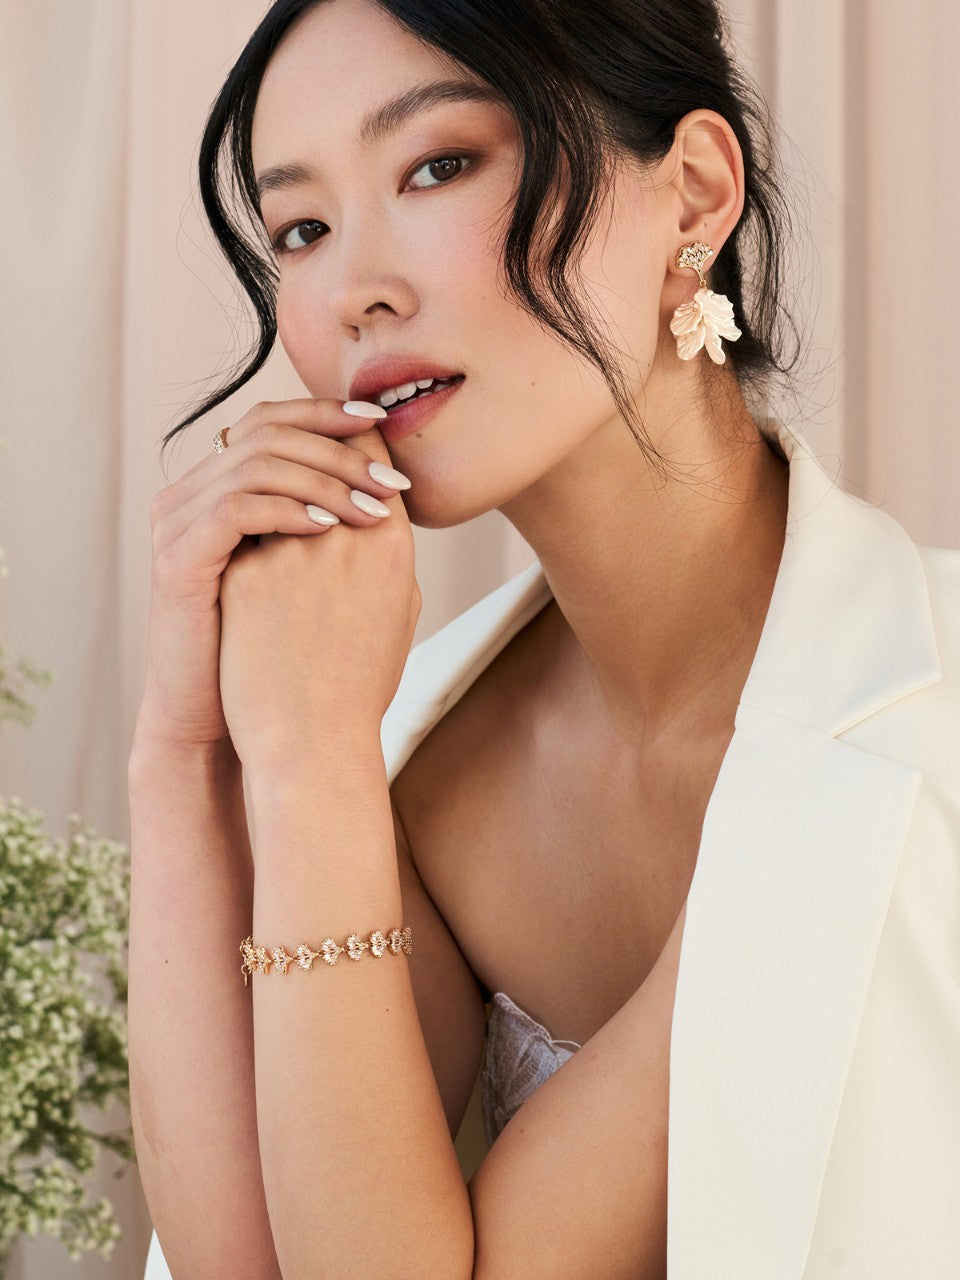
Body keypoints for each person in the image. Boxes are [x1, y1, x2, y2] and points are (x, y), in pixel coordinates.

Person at [128, 0, 960, 1276]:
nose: (353, 289)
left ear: (692, 194)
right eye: (302, 228)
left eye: (439, 166)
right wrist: (193, 754)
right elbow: (247, 1264)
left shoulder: (911, 729)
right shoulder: (413, 762)